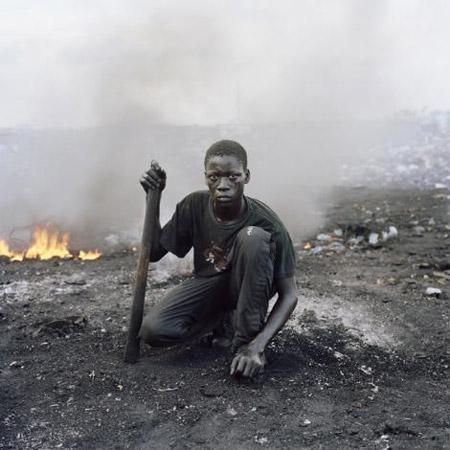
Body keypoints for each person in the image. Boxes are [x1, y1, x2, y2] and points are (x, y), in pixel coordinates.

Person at [139, 140, 298, 378]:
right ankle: (221, 321)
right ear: (205, 177)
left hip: (249, 287)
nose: (223, 185)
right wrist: (154, 197)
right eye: (215, 177)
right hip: (210, 284)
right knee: (154, 330)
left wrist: (257, 345)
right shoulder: (194, 205)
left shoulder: (267, 223)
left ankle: (244, 342)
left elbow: (289, 294)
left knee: (252, 238)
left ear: (246, 176)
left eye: (233, 176)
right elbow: (153, 253)